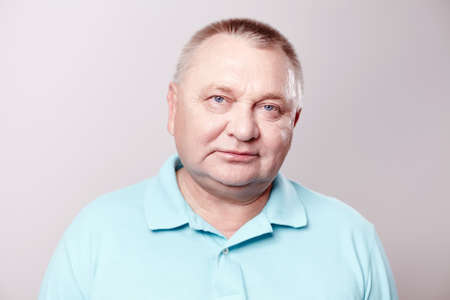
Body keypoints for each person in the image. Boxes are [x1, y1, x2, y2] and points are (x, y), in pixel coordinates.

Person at [39, 18, 398, 300]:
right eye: (218, 100)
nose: (243, 130)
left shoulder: (351, 238)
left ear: (293, 121)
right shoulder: (96, 234)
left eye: (269, 107)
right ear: (174, 107)